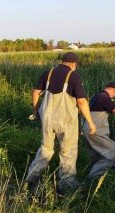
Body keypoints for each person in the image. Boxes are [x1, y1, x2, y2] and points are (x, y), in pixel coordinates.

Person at [26, 52, 97, 194]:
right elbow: (82, 101)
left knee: (45, 149)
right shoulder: (74, 75)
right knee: (68, 152)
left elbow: (35, 92)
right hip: (66, 120)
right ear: (74, 64)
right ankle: (65, 185)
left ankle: (30, 179)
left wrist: (35, 111)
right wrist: (90, 122)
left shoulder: (49, 72)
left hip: (47, 118)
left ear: (62, 61)